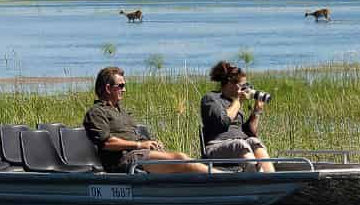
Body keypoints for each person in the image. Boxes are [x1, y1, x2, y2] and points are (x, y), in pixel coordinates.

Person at [83, 66, 212, 174]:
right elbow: (107, 143)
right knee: (180, 159)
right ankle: (222, 177)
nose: (124, 90)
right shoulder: (96, 112)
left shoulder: (122, 111)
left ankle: (211, 178)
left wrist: (150, 143)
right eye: (121, 86)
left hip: (139, 155)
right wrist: (139, 145)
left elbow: (135, 136)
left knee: (181, 160)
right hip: (123, 160)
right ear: (108, 88)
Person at [201, 61, 274, 172]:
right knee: (240, 144)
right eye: (243, 86)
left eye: (247, 85)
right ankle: (256, 180)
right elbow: (223, 122)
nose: (246, 89)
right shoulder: (211, 99)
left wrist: (257, 111)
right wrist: (239, 100)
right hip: (216, 146)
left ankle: (272, 179)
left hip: (240, 144)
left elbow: (251, 132)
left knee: (254, 142)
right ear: (230, 83)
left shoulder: (235, 103)